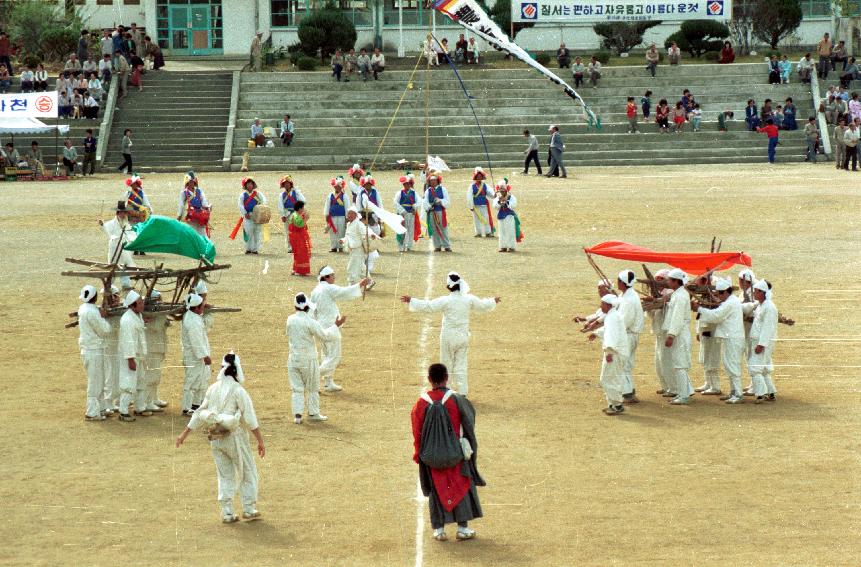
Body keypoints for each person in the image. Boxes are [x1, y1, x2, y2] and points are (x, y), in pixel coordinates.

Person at [175, 352, 265, 524]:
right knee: (247, 471)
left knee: (224, 475)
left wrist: (184, 434)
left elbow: (199, 412)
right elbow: (250, 418)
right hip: (235, 437)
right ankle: (248, 508)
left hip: (216, 438)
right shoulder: (239, 391)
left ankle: (227, 512)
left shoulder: (212, 388)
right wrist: (260, 441)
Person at [411, 363, 484, 542]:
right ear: (446, 378)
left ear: (429, 379)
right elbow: (469, 423)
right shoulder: (457, 399)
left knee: (437, 489)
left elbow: (416, 430)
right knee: (462, 485)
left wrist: (419, 453)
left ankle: (439, 530)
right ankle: (462, 528)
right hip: (456, 455)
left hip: (432, 456)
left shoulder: (421, 403)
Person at [401, 272, 499, 396]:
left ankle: (446, 393)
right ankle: (462, 392)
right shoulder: (468, 298)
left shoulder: (446, 300)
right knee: (461, 365)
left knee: (446, 364)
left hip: (448, 337)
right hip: (463, 337)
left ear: (448, 286)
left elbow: (428, 306)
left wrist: (412, 301)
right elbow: (483, 306)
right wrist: (493, 301)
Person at [287, 292, 344, 424]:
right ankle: (313, 413)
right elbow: (325, 335)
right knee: (312, 387)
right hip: (308, 358)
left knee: (297, 388)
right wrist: (336, 325)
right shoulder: (309, 322)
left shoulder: (290, 319)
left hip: (293, 358)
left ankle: (297, 415)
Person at [311, 266, 369, 392]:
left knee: (327, 355)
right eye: (332, 275)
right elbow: (344, 292)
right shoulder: (327, 288)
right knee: (334, 356)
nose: (334, 277)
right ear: (326, 277)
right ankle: (313, 378)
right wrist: (360, 285)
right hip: (331, 326)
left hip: (321, 325)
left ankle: (328, 382)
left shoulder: (316, 290)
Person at [692, 278, 746, 403]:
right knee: (729, 365)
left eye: (719, 294)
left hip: (733, 338)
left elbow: (716, 316)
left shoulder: (730, 303)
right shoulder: (729, 301)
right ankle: (734, 392)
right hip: (730, 338)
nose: (718, 296)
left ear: (726, 292)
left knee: (732, 366)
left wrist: (699, 309)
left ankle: (738, 394)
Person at [588, 294, 629, 415]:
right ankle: (612, 403)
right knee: (611, 378)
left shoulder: (612, 317)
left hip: (615, 353)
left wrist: (609, 352)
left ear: (608, 305)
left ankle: (617, 405)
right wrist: (596, 334)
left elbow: (612, 335)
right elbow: (608, 330)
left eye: (602, 303)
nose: (600, 306)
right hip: (618, 352)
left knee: (606, 379)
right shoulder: (613, 315)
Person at [78, 285, 112, 421]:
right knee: (95, 382)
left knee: (99, 379)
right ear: (95, 297)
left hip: (90, 349)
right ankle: (92, 412)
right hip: (94, 349)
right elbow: (105, 330)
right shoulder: (92, 312)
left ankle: (101, 408)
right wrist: (103, 317)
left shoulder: (83, 309)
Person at [743, 280, 779, 403]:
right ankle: (770, 392)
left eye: (756, 291)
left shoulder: (769, 307)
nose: (754, 293)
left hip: (762, 342)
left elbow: (768, 327)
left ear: (763, 292)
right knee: (763, 369)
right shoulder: (761, 305)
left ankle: (760, 394)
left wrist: (761, 344)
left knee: (755, 367)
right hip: (758, 341)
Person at [662, 269, 693, 405]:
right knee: (678, 364)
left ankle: (684, 395)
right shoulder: (678, 294)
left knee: (680, 365)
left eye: (670, 280)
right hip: (679, 333)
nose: (668, 282)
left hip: (679, 334)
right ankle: (682, 393)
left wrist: (671, 335)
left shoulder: (680, 296)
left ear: (676, 281)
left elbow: (677, 317)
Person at [118, 290, 148, 421]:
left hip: (139, 355)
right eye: (139, 303)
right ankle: (123, 411)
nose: (142, 305)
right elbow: (127, 341)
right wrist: (130, 359)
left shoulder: (137, 316)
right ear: (132, 305)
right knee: (129, 384)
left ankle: (140, 408)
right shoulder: (127, 320)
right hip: (131, 356)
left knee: (141, 382)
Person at [181, 293, 212, 415]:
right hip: (194, 357)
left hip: (196, 356)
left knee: (201, 380)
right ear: (197, 307)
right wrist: (204, 355)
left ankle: (196, 405)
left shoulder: (192, 316)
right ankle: (187, 407)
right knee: (192, 382)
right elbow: (196, 341)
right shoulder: (192, 322)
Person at [616, 270, 644, 403]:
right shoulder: (626, 295)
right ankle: (629, 390)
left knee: (622, 364)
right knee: (626, 364)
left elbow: (624, 321)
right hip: (629, 334)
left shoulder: (629, 299)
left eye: (618, 280)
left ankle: (627, 394)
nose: (617, 283)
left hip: (628, 335)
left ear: (623, 282)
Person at [142, 290, 170, 413]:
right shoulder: (147, 315)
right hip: (151, 349)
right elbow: (156, 326)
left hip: (157, 347)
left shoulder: (155, 314)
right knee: (151, 375)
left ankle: (154, 398)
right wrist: (163, 315)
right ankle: (147, 402)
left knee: (155, 375)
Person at [99, 202, 137, 289]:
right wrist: (102, 225)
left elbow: (131, 233)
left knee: (124, 267)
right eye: (122, 212)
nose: (124, 214)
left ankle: (126, 285)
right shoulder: (112, 223)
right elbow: (106, 229)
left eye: (125, 212)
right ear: (118, 213)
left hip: (124, 249)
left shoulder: (126, 223)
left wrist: (133, 240)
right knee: (113, 267)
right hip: (115, 248)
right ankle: (108, 285)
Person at [343, 205, 381, 286]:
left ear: (356, 215)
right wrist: (343, 240)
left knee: (351, 267)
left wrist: (371, 235)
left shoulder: (358, 223)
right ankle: (370, 281)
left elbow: (365, 231)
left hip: (358, 250)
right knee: (361, 268)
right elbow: (349, 236)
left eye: (352, 213)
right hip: (352, 249)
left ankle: (352, 284)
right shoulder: (349, 224)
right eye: (348, 213)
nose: (349, 215)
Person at [423, 171, 452, 251]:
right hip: (432, 212)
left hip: (440, 212)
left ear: (437, 181)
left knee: (444, 229)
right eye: (431, 180)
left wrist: (441, 201)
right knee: (434, 229)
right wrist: (429, 207)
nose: (433, 182)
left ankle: (447, 246)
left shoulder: (443, 189)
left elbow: (447, 200)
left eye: (434, 180)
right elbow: (425, 202)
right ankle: (437, 246)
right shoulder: (427, 191)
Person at [276, 174, 306, 252]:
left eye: (288, 183)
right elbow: (280, 206)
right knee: (288, 231)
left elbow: (303, 200)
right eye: (285, 184)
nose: (286, 185)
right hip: (287, 214)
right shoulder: (281, 195)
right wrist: (282, 215)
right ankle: (290, 247)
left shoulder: (296, 193)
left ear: (291, 184)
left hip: (296, 214)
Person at [238, 177, 267, 255]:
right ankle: (248, 248)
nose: (250, 185)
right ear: (245, 186)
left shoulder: (258, 194)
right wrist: (244, 213)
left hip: (257, 215)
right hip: (248, 215)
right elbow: (240, 205)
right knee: (248, 232)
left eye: (251, 184)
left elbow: (264, 201)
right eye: (248, 184)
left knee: (257, 232)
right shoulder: (242, 195)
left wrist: (261, 210)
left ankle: (255, 249)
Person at [177, 171, 211, 237]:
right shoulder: (199, 191)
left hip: (190, 217)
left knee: (191, 236)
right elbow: (205, 204)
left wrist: (178, 218)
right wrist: (207, 210)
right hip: (200, 217)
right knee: (202, 236)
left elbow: (181, 207)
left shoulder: (183, 193)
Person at [393, 173, 420, 252]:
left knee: (410, 230)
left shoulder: (414, 193)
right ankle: (401, 246)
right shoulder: (399, 193)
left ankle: (409, 246)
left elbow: (419, 201)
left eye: (408, 184)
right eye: (405, 184)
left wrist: (415, 207)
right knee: (401, 230)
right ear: (403, 184)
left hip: (411, 214)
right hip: (402, 214)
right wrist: (402, 211)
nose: (407, 185)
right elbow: (395, 203)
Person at [492, 179, 520, 253]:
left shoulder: (511, 197)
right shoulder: (498, 197)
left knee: (510, 231)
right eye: (501, 190)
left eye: (503, 190)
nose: (502, 191)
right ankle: (503, 246)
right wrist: (499, 202)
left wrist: (506, 202)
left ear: (506, 190)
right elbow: (495, 206)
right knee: (501, 232)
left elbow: (514, 205)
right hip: (501, 216)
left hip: (509, 216)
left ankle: (511, 247)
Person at [467, 167, 495, 238]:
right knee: (476, 219)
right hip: (476, 205)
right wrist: (471, 206)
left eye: (480, 176)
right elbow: (469, 196)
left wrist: (494, 194)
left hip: (484, 204)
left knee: (486, 218)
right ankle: (478, 232)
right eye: (478, 176)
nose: (479, 177)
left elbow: (489, 192)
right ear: (475, 177)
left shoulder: (485, 185)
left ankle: (488, 232)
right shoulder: (472, 186)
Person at [287, 201, 312, 276]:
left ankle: (296, 269)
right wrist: (305, 219)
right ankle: (299, 270)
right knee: (300, 252)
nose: (303, 209)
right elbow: (299, 225)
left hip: (297, 236)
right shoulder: (295, 216)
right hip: (297, 237)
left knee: (298, 253)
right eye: (303, 208)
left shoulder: (296, 215)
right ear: (299, 208)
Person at [324, 176, 348, 252]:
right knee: (333, 231)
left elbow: (347, 206)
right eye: (336, 186)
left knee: (341, 230)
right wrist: (326, 214)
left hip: (342, 216)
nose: (337, 188)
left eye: (339, 186)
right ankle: (333, 247)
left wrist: (347, 217)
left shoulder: (344, 195)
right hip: (332, 216)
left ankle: (341, 247)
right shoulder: (330, 195)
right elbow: (327, 205)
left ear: (341, 187)